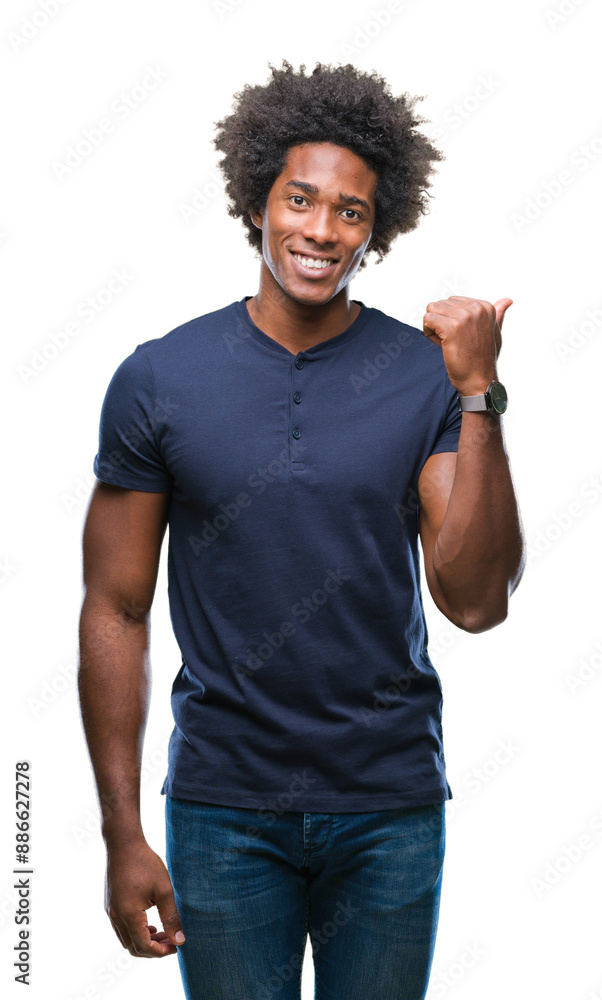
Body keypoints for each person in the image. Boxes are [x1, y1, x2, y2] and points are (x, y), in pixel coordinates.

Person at [78, 59, 525, 1000]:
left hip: (389, 808)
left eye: (350, 212)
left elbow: (477, 602)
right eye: (300, 200)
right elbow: (115, 607)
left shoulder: (422, 375)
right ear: (256, 203)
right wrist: (122, 833)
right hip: (222, 809)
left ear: (379, 229)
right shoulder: (160, 378)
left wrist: (477, 393)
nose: (321, 231)